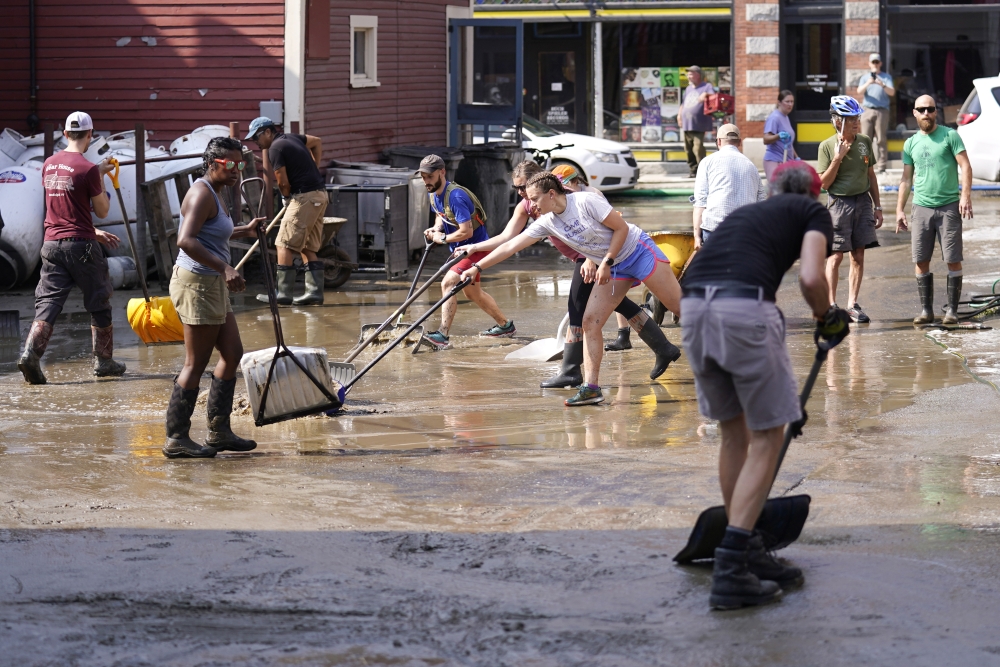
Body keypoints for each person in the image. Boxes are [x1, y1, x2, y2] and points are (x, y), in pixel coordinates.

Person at [680, 161, 849, 610]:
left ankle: (746, 542)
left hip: (693, 310)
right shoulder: (812, 213)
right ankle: (733, 567)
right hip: (743, 309)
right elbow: (812, 277)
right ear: (814, 194)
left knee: (734, 431)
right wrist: (826, 316)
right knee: (769, 433)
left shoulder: (747, 215)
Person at [459, 172, 682, 406]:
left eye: (535, 199)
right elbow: (511, 245)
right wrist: (477, 267)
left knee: (678, 306)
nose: (531, 206)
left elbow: (621, 228)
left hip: (637, 252)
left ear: (552, 194)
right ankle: (591, 388)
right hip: (616, 267)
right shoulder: (547, 222)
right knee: (590, 321)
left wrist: (605, 262)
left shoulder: (585, 202)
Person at [163, 137, 265, 459]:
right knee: (195, 363)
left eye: (241, 165)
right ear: (212, 163)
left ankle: (218, 432)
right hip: (196, 283)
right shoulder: (200, 193)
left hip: (211, 283)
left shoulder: (215, 192)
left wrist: (243, 230)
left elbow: (212, 232)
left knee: (233, 352)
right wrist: (225, 267)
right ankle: (177, 437)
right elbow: (186, 240)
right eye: (230, 165)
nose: (237, 171)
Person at [18, 111, 127, 385]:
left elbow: (66, 201)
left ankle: (31, 354)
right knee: (99, 298)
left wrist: (96, 173)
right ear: (90, 135)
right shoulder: (88, 168)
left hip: (51, 243)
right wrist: (99, 176)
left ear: (65, 134)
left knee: (49, 301)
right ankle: (104, 361)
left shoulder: (48, 165)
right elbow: (101, 210)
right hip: (82, 246)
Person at [417, 154, 515, 350]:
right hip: (460, 249)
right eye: (423, 176)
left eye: (429, 176)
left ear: (442, 172)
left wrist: (442, 239)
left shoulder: (456, 196)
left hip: (475, 248)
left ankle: (442, 335)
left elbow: (466, 231)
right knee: (473, 293)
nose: (426, 181)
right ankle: (505, 326)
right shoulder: (433, 193)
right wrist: (437, 229)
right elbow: (441, 215)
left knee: (448, 282)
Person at [895, 94, 974, 325]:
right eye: (922, 109)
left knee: (953, 259)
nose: (927, 113)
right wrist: (899, 210)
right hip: (921, 208)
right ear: (915, 113)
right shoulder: (910, 143)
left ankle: (952, 312)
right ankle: (926, 311)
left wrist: (965, 196)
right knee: (921, 260)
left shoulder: (950, 136)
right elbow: (906, 180)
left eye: (930, 109)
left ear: (936, 112)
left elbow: (966, 166)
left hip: (949, 206)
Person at [245, 116, 327, 306]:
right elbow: (317, 142)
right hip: (319, 194)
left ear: (267, 132)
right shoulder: (293, 138)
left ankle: (282, 294)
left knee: (283, 243)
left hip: (304, 197)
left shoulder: (275, 148)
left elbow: (282, 181)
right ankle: (314, 293)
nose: (256, 143)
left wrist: (285, 197)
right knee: (307, 246)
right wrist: (315, 167)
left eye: (257, 138)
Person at [817, 95, 883, 324]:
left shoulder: (864, 140)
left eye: (857, 117)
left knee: (858, 255)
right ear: (837, 121)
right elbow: (824, 184)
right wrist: (838, 158)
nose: (856, 122)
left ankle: (852, 305)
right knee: (835, 256)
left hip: (863, 202)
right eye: (850, 118)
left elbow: (871, 176)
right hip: (838, 204)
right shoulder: (826, 146)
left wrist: (878, 206)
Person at [693, 123, 767, 250]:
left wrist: (696, 236)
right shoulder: (751, 166)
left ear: (719, 142)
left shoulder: (707, 162)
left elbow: (701, 202)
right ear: (739, 142)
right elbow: (762, 204)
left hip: (715, 229)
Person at [857, 53, 895, 175]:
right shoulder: (865, 78)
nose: (875, 64)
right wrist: (869, 82)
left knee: (881, 139)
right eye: (873, 62)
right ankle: (865, 165)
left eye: (877, 62)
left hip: (882, 111)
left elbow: (892, 92)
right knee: (865, 140)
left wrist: (881, 84)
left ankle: (882, 167)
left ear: (880, 63)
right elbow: (859, 91)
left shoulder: (886, 77)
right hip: (867, 110)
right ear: (869, 64)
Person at [681, 66, 716, 178]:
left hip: (699, 123)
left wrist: (706, 94)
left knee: (698, 147)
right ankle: (693, 170)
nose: (689, 76)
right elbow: (683, 104)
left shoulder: (707, 86)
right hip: (687, 122)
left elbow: (714, 96)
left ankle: (703, 172)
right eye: (688, 74)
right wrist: (679, 115)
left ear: (698, 74)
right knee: (688, 149)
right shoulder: (688, 89)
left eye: (691, 74)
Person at [762, 90, 798, 181]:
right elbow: (765, 139)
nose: (790, 104)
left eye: (792, 101)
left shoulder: (785, 117)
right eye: (787, 101)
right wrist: (778, 136)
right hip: (775, 161)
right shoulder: (774, 118)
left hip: (787, 161)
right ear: (779, 102)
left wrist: (797, 157)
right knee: (777, 191)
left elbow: (788, 143)